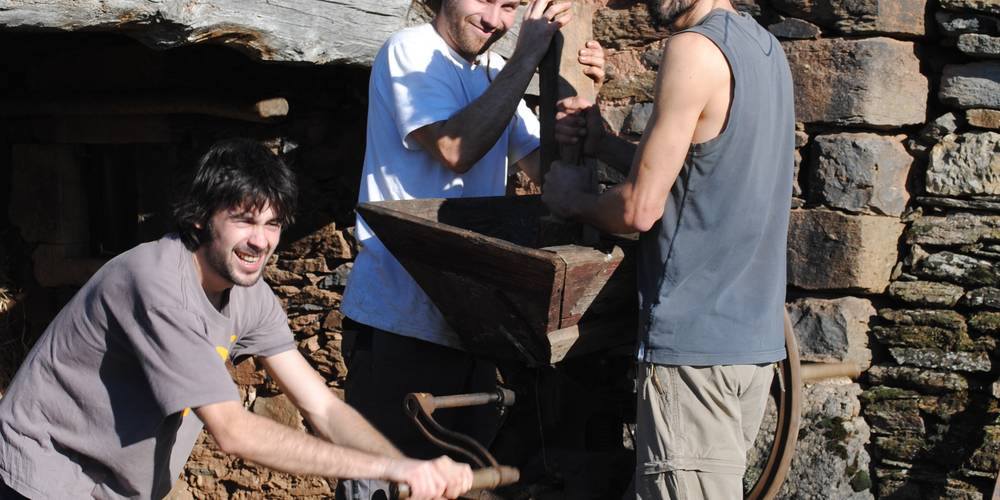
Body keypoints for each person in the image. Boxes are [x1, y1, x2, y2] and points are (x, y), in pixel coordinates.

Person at [0, 139, 472, 500]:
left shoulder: (249, 294)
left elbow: (322, 407)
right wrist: (393, 469)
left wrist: (409, 466)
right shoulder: (155, 282)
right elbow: (233, 431)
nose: (261, 241)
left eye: (272, 224)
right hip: (43, 474)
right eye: (244, 220)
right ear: (200, 218)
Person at [339, 1, 605, 498]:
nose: (494, 19)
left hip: (472, 323)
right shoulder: (410, 50)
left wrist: (584, 100)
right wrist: (526, 60)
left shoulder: (494, 71)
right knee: (384, 486)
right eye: (483, 0)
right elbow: (454, 149)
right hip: (402, 322)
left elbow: (546, 171)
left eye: (508, 7)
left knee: (459, 486)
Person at [542, 0, 795, 497]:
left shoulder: (693, 49)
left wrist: (573, 201)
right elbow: (702, 174)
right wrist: (605, 145)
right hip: (751, 348)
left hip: (694, 351)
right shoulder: (766, 50)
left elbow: (639, 210)